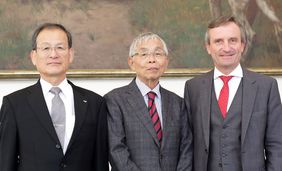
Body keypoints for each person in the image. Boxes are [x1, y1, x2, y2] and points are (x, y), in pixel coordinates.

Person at [0, 23, 108, 171]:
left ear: (70, 54)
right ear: (33, 57)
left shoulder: (95, 103)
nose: (53, 54)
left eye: (60, 47)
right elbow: (5, 162)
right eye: (46, 48)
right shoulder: (14, 104)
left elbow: (100, 162)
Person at [184, 15, 282, 171]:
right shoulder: (193, 88)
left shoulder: (266, 86)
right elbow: (187, 144)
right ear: (208, 47)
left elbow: (277, 145)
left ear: (242, 45)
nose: (227, 48)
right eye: (218, 41)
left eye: (233, 40)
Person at [105, 32, 192, 171]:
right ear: (131, 63)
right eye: (144, 54)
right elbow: (116, 150)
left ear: (166, 62)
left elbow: (187, 148)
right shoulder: (114, 100)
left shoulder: (178, 103)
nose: (152, 60)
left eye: (158, 54)